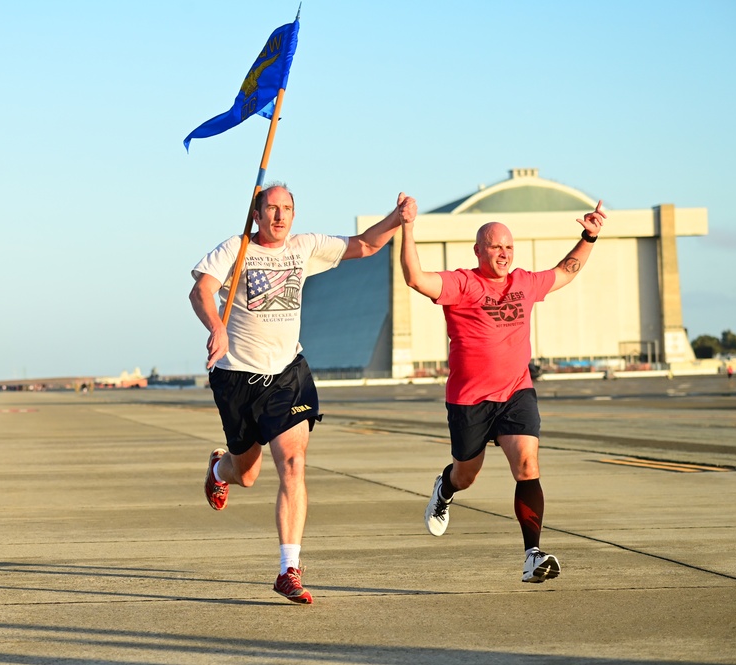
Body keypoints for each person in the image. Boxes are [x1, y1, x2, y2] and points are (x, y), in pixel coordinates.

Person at [190, 183, 416, 604]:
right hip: (237, 377)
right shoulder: (235, 250)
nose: (279, 216)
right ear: (256, 214)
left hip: (287, 376)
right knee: (249, 474)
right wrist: (216, 327)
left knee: (293, 463)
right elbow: (201, 290)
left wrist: (396, 218)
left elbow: (365, 246)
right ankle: (221, 470)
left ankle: (288, 569)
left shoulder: (304, 248)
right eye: (271, 208)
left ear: (294, 215)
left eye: (287, 208)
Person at [399, 200, 607, 583]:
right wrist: (407, 226)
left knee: (527, 465)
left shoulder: (524, 282)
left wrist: (589, 235)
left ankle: (532, 555)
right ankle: (444, 490)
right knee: (466, 475)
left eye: (508, 247)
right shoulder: (462, 283)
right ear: (479, 251)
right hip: (469, 400)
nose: (503, 253)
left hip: (515, 392)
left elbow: (565, 272)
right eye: (495, 246)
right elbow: (415, 277)